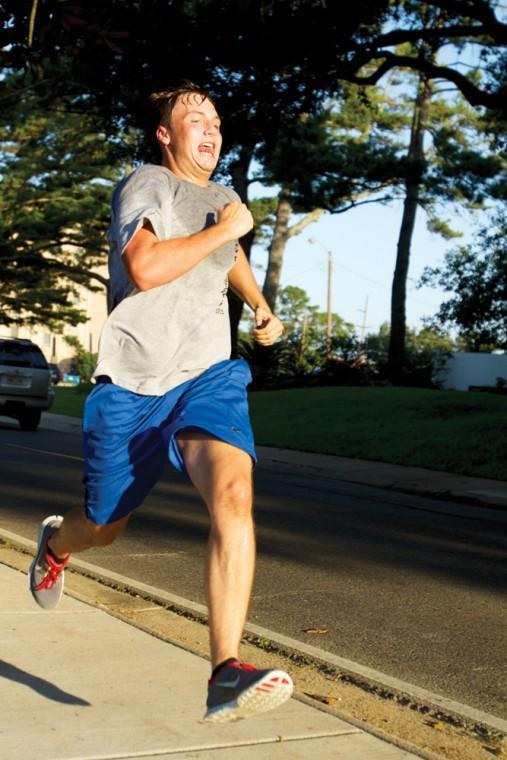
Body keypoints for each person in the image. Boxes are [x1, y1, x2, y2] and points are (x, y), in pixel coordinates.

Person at [29, 81, 293, 723]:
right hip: (132, 386)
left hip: (206, 375)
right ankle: (59, 544)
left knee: (234, 493)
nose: (210, 127)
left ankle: (225, 671)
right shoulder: (148, 183)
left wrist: (258, 304)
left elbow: (228, 255)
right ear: (165, 135)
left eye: (217, 118)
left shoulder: (224, 198)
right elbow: (144, 266)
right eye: (193, 117)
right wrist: (228, 227)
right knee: (105, 526)